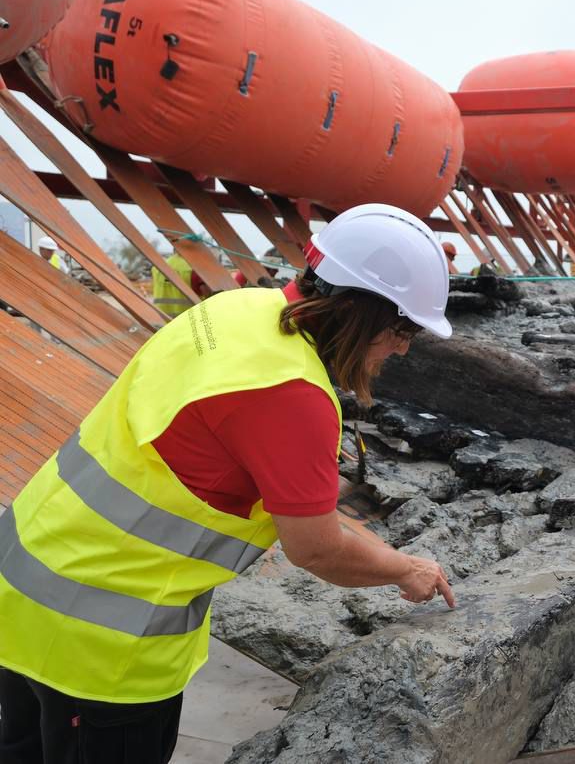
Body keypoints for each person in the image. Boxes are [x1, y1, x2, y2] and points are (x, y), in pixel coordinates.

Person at [0, 203, 455, 763]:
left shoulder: (237, 310)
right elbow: (314, 547)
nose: (404, 347)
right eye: (403, 328)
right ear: (359, 310)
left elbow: (281, 492)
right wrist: (407, 569)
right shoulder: (293, 396)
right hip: (100, 644)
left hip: (25, 575)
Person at [151, 252, 207, 316]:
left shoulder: (157, 267)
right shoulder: (194, 269)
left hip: (162, 318)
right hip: (188, 319)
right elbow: (209, 297)